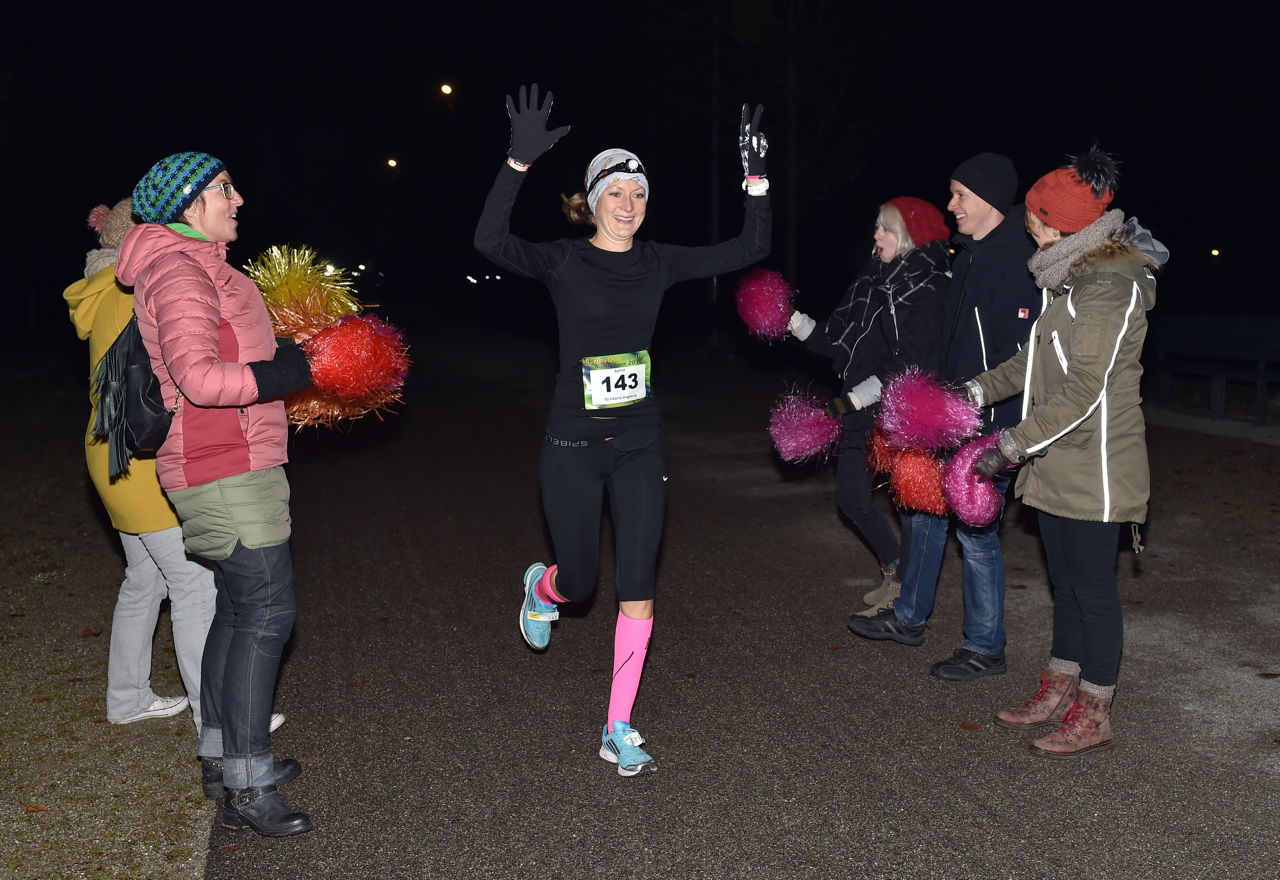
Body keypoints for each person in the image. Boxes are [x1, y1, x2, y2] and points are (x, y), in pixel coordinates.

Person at [474, 84, 771, 777]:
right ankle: (540, 589)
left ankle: (617, 725)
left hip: (640, 441)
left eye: (638, 192)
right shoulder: (562, 260)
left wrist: (756, 178)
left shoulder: (661, 261)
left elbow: (750, 243)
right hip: (572, 446)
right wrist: (517, 164)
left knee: (637, 582)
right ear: (593, 199)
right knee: (580, 586)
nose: (629, 204)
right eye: (616, 192)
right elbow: (487, 240)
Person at [116, 152, 314, 835]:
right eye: (224, 189)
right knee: (266, 613)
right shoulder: (178, 270)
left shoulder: (202, 267)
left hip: (232, 459)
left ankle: (225, 760)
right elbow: (200, 379)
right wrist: (279, 373)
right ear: (189, 205)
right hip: (222, 461)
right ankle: (250, 785)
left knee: (237, 611)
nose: (238, 198)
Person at [966, 147, 1164, 756]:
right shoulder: (1068, 276)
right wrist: (974, 390)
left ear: (1062, 224)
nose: (1028, 226)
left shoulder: (1109, 286)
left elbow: (1085, 391)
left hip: (1097, 464)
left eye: (1035, 217)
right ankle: (1061, 686)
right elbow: (1032, 364)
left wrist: (1012, 444)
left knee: (1092, 591)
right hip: (1058, 460)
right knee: (1067, 587)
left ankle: (1097, 709)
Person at [848, 153, 1041, 681]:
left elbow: (1018, 360)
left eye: (960, 195)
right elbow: (947, 344)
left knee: (976, 535)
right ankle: (909, 617)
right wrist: (918, 398)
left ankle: (985, 647)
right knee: (924, 512)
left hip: (988, 426)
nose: (951, 205)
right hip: (947, 417)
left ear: (990, 200)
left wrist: (989, 427)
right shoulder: (970, 256)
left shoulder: (1018, 262)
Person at [64, 198, 215, 731]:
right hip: (140, 451)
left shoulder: (103, 291)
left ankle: (126, 698)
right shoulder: (140, 291)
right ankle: (218, 721)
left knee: (144, 578)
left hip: (108, 449)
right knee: (195, 582)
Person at [785, 198, 950, 616]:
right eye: (877, 227)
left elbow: (909, 359)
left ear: (909, 237)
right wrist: (795, 322)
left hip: (897, 414)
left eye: (886, 229)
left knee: (910, 509)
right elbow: (837, 339)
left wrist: (855, 398)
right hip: (858, 409)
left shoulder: (925, 288)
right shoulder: (874, 279)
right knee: (853, 499)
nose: (876, 235)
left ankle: (908, 595)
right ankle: (896, 570)